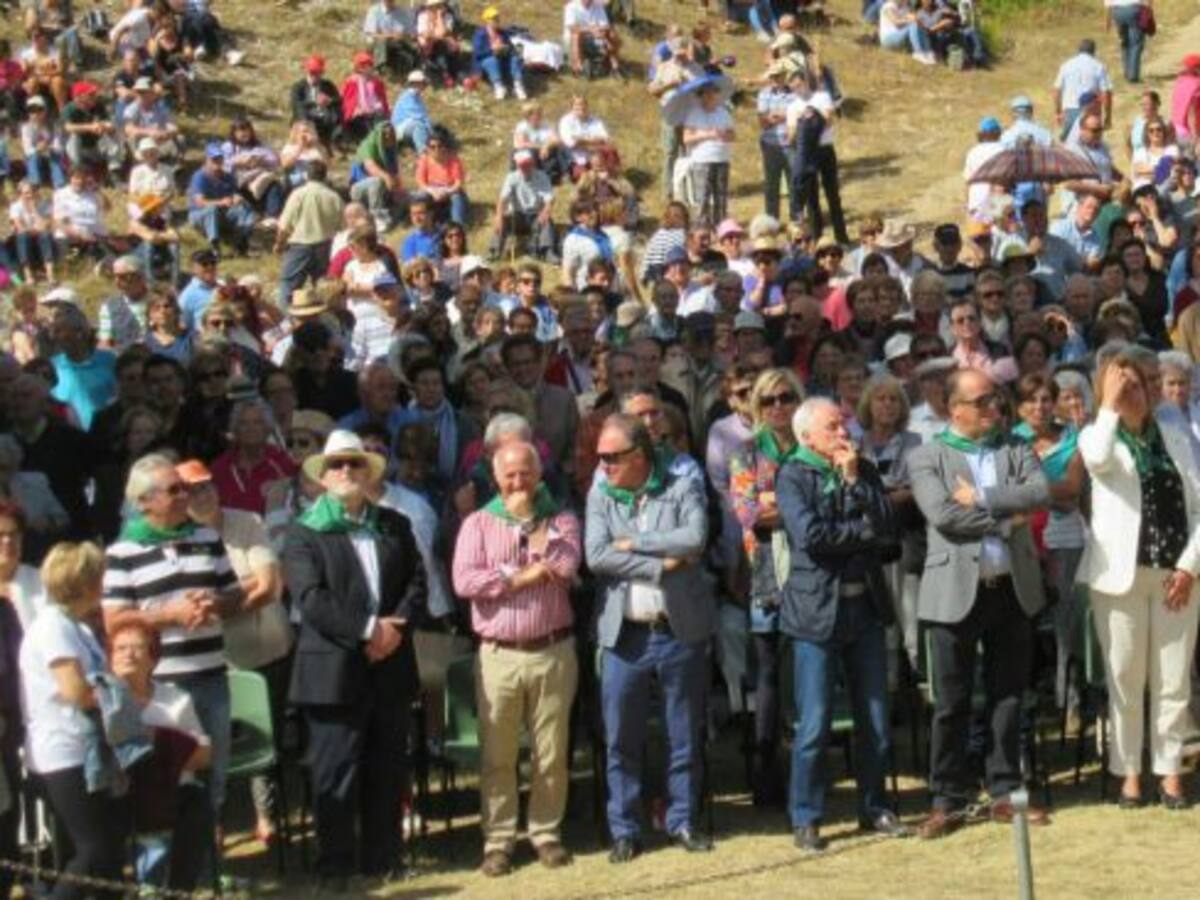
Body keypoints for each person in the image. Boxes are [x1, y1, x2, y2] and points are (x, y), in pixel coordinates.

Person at [909, 368, 1052, 837]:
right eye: (985, 401)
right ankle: (947, 798)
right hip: (954, 594)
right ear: (956, 409)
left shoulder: (1014, 446)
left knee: (1008, 695)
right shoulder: (928, 455)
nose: (997, 408)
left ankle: (1006, 791)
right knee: (951, 701)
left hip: (1011, 589)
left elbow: (1039, 492)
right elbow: (945, 516)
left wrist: (985, 497)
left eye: (997, 399)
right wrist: (1006, 521)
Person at [282, 430, 426, 890]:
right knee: (336, 770)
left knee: (387, 766)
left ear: (369, 472)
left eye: (355, 463)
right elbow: (311, 598)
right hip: (333, 669)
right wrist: (369, 630)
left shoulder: (394, 524)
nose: (347, 471)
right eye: (337, 465)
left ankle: (384, 857)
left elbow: (417, 583)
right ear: (322, 477)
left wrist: (394, 629)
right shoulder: (303, 532)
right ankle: (336, 865)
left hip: (391, 663)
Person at [776, 396, 906, 852]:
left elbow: (888, 526)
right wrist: (862, 533)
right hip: (816, 614)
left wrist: (853, 482)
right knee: (814, 723)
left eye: (845, 424)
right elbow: (811, 537)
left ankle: (875, 807)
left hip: (865, 609)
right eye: (833, 426)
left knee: (874, 717)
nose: (844, 432)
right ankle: (805, 816)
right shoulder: (793, 474)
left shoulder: (861, 469)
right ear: (807, 435)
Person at [585, 413, 713, 862]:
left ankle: (683, 820)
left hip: (678, 629)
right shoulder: (600, 492)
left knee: (685, 736)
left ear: (639, 455)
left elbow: (695, 537)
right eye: (600, 457)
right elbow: (597, 555)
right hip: (625, 636)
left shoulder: (680, 485)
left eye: (611, 457)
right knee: (621, 737)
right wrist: (659, 563)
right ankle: (625, 828)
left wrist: (634, 542)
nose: (603, 465)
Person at [452, 441, 581, 876]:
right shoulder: (477, 522)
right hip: (499, 656)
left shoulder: (560, 517)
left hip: (552, 649)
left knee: (551, 752)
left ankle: (545, 832)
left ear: (539, 473)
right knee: (498, 755)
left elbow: (564, 565)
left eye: (526, 473)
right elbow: (466, 579)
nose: (518, 482)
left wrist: (529, 532)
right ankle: (499, 840)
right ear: (496, 477)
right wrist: (523, 575)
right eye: (509, 475)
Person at [1078, 353, 1200, 808]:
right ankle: (1128, 771)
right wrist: (1110, 405)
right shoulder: (1097, 434)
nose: (1142, 391)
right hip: (1118, 578)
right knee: (1126, 678)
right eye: (1131, 384)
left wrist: (1190, 566)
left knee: (1173, 679)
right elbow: (1096, 460)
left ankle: (1170, 772)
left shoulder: (1176, 434)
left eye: (1150, 382)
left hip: (1177, 574)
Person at [102, 455, 244, 829]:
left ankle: (211, 867)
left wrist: (217, 603)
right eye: (174, 489)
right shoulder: (121, 553)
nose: (185, 495)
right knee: (165, 779)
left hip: (211, 675)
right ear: (144, 501)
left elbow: (236, 596)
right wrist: (171, 615)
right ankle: (169, 872)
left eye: (187, 487)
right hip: (158, 685)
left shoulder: (207, 538)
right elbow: (115, 619)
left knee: (214, 774)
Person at [177, 459, 291, 844]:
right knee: (212, 742)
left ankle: (268, 817)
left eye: (206, 485)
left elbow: (271, 585)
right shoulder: (176, 538)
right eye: (192, 489)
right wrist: (244, 590)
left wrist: (217, 604)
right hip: (212, 661)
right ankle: (214, 820)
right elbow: (187, 605)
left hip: (268, 648)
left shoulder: (247, 521)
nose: (203, 494)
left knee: (265, 735)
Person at [19, 541, 131, 900]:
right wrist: (122, 700)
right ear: (83, 581)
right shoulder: (54, 628)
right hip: (64, 752)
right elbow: (75, 691)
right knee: (92, 850)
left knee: (111, 851)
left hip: (89, 751)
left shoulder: (78, 628)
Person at [728, 368, 803, 804]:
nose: (779, 406)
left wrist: (778, 502)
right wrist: (797, 506)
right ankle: (767, 773)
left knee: (806, 675)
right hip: (766, 577)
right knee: (770, 678)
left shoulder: (813, 447)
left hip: (812, 572)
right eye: (770, 399)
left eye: (787, 397)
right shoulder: (747, 452)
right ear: (757, 405)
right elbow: (750, 514)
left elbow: (829, 504)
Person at [108, 617, 212, 893]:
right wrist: (171, 748)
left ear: (153, 658)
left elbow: (203, 755)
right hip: (124, 791)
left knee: (196, 808)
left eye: (138, 647)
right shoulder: (104, 701)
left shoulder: (176, 698)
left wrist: (160, 756)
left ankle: (180, 891)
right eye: (120, 648)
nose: (128, 653)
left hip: (177, 788)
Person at [273, 159, 345, 306]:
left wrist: (279, 244)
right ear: (325, 176)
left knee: (289, 287)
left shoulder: (298, 194)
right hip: (325, 246)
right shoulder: (334, 197)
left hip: (299, 246)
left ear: (306, 175)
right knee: (323, 290)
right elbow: (342, 227)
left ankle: (287, 322)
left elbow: (285, 225)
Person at [187, 143, 257, 255]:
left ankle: (242, 239)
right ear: (207, 160)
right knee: (212, 209)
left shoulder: (228, 177)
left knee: (245, 207)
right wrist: (220, 202)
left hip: (223, 213)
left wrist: (237, 198)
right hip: (200, 214)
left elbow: (234, 194)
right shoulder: (199, 177)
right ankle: (215, 245)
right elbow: (199, 202)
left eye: (220, 159)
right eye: (214, 159)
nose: (217, 162)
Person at [682, 82, 735, 226]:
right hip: (702, 160)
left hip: (722, 158)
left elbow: (732, 135)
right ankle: (701, 229)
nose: (710, 95)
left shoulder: (724, 112)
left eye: (713, 92)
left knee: (721, 198)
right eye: (706, 93)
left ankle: (720, 228)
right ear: (701, 95)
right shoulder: (694, 113)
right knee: (702, 199)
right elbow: (686, 139)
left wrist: (723, 134)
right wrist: (706, 134)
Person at [1053, 38, 1113, 139]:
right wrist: (1108, 116)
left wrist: (1057, 112)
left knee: (1069, 145)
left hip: (1069, 109)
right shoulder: (1099, 66)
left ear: (1079, 50)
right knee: (1092, 144)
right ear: (1093, 51)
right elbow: (1106, 93)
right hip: (1092, 111)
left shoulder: (1066, 65)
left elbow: (1057, 90)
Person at [473, 6, 527, 101]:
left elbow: (511, 48)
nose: (497, 20)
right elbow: (478, 53)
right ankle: (499, 86)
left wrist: (506, 48)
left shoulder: (503, 33)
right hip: (487, 66)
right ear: (487, 21)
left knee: (514, 58)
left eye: (497, 18)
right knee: (491, 60)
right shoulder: (480, 34)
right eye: (493, 18)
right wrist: (492, 50)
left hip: (503, 62)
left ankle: (518, 86)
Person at [1105, 0, 1149, 84]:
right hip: (1134, 10)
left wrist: (1108, 20)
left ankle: (1126, 72)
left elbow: (1108, 3)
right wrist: (1148, 12)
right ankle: (1133, 76)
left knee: (1124, 42)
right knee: (1136, 44)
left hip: (1117, 12)